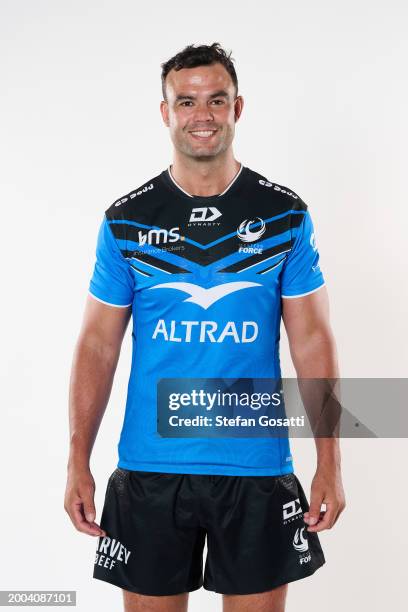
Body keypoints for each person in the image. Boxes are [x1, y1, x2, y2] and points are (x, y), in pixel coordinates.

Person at [64, 42, 346, 612]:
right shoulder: (127, 220)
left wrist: (330, 463)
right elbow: (98, 344)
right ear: (165, 111)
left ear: (238, 108)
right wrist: (77, 460)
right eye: (186, 101)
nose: (203, 115)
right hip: (150, 468)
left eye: (216, 100)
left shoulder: (285, 213)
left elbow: (311, 340)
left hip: (256, 469)